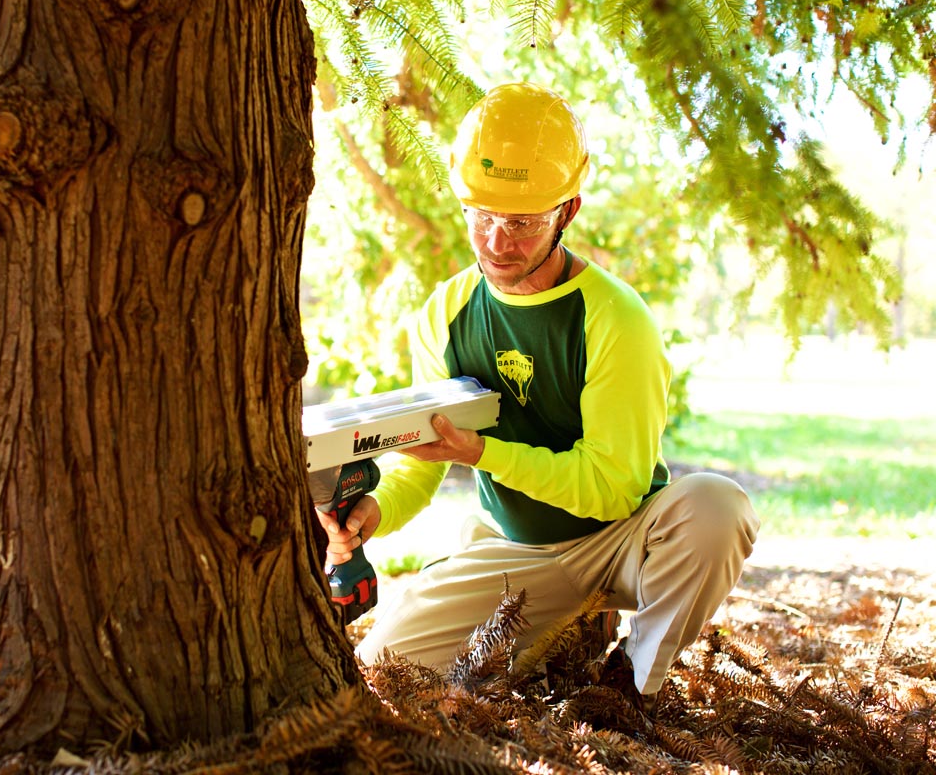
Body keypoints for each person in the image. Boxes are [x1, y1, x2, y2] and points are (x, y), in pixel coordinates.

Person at [316, 82, 759, 713]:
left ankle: (633, 682)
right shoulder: (445, 313)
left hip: (624, 540)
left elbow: (613, 490)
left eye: (522, 223)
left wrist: (483, 454)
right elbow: (424, 459)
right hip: (514, 549)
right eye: (482, 216)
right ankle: (562, 633)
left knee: (717, 507)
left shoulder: (616, 318)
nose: (497, 243)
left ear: (567, 211)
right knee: (381, 672)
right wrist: (373, 513)